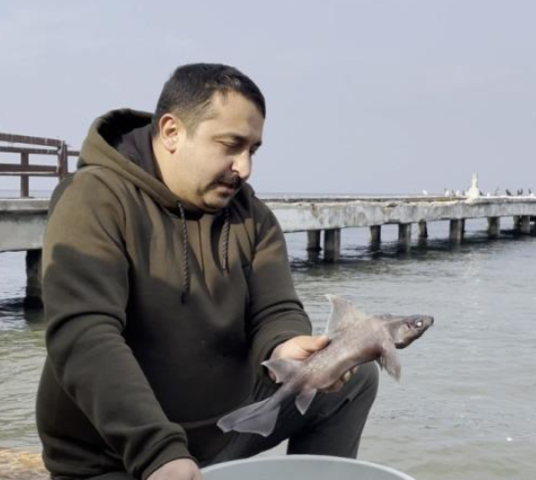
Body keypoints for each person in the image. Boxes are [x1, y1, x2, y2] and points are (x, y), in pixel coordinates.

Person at [35, 63, 379, 480]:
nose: (245, 167)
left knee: (357, 378)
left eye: (253, 149)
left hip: (221, 431)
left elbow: (276, 309)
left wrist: (284, 347)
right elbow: (83, 335)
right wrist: (157, 451)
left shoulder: (252, 215)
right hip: (115, 455)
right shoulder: (94, 199)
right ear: (172, 132)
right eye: (231, 145)